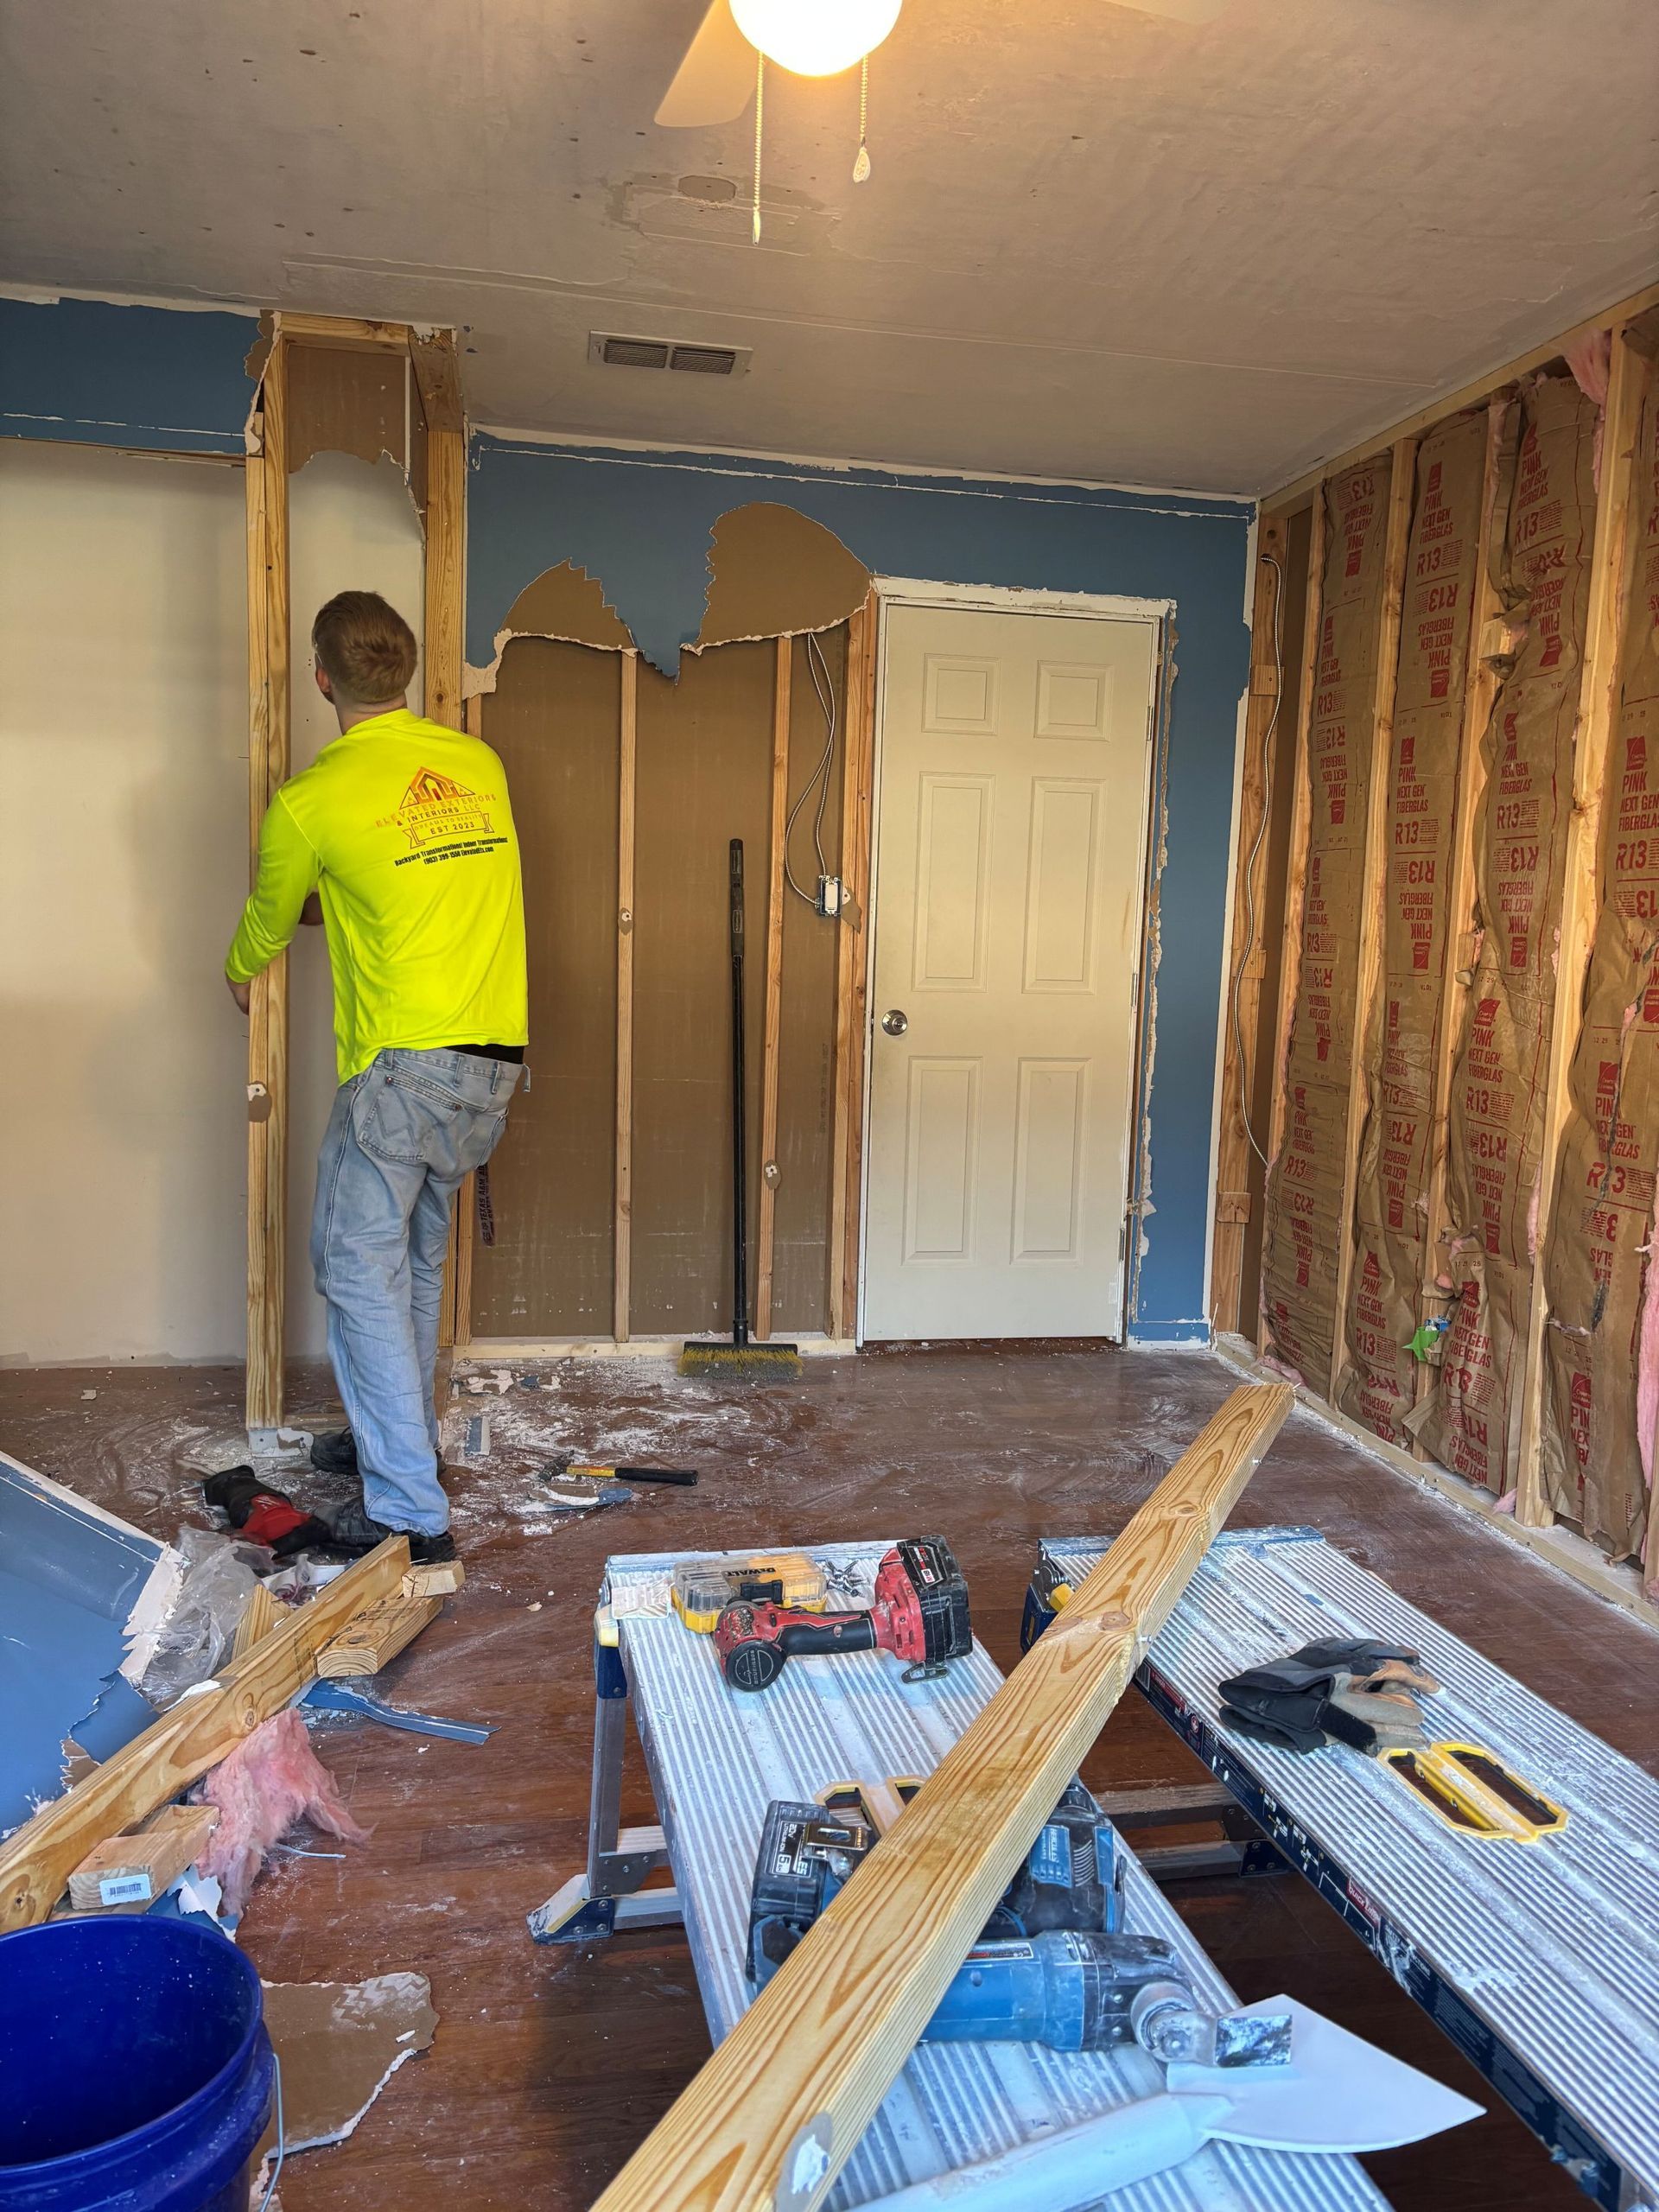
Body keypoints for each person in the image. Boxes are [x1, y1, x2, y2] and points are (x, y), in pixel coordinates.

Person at [225, 591, 527, 1562]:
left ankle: (410, 1516)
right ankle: (388, 1442)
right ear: (399, 676)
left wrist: (238, 975)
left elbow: (268, 925)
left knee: (357, 1274)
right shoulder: (477, 765)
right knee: (417, 1265)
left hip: (400, 1075)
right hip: (491, 1071)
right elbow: (413, 881)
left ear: (323, 680)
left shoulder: (311, 799)